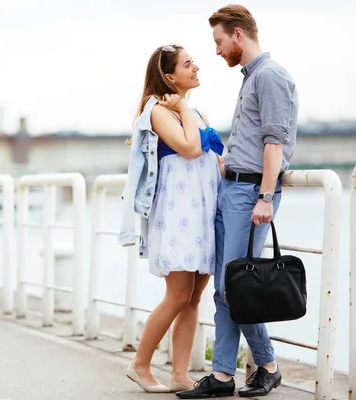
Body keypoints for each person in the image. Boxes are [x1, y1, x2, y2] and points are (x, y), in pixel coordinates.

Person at [176, 5, 298, 399]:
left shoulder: (272, 76)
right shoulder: (251, 78)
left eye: (218, 41)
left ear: (238, 35)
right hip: (232, 188)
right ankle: (224, 375)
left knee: (235, 287)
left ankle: (267, 364)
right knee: (225, 287)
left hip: (250, 195)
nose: (216, 51)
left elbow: (274, 142)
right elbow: (254, 141)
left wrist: (264, 195)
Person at [118, 44, 224, 393]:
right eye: (187, 64)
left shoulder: (195, 112)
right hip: (180, 213)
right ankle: (140, 364)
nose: (196, 68)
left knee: (193, 298)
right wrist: (182, 109)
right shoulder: (160, 112)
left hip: (204, 212)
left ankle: (180, 374)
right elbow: (191, 148)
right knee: (177, 295)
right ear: (169, 75)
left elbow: (215, 158)